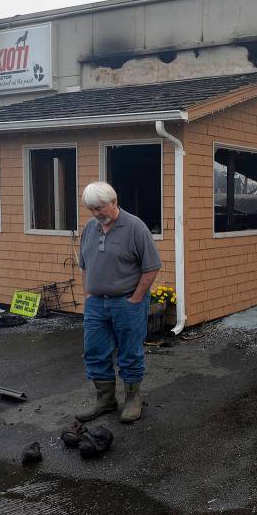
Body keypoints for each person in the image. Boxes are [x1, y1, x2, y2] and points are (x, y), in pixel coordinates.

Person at [75, 181, 161, 424]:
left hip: (126, 304)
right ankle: (105, 400)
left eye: (99, 207)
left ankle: (133, 400)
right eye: (91, 209)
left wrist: (135, 299)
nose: (95, 214)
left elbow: (151, 267)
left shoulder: (135, 227)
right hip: (95, 305)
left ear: (114, 202)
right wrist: (88, 294)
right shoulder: (89, 229)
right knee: (94, 352)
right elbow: (84, 265)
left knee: (130, 353)